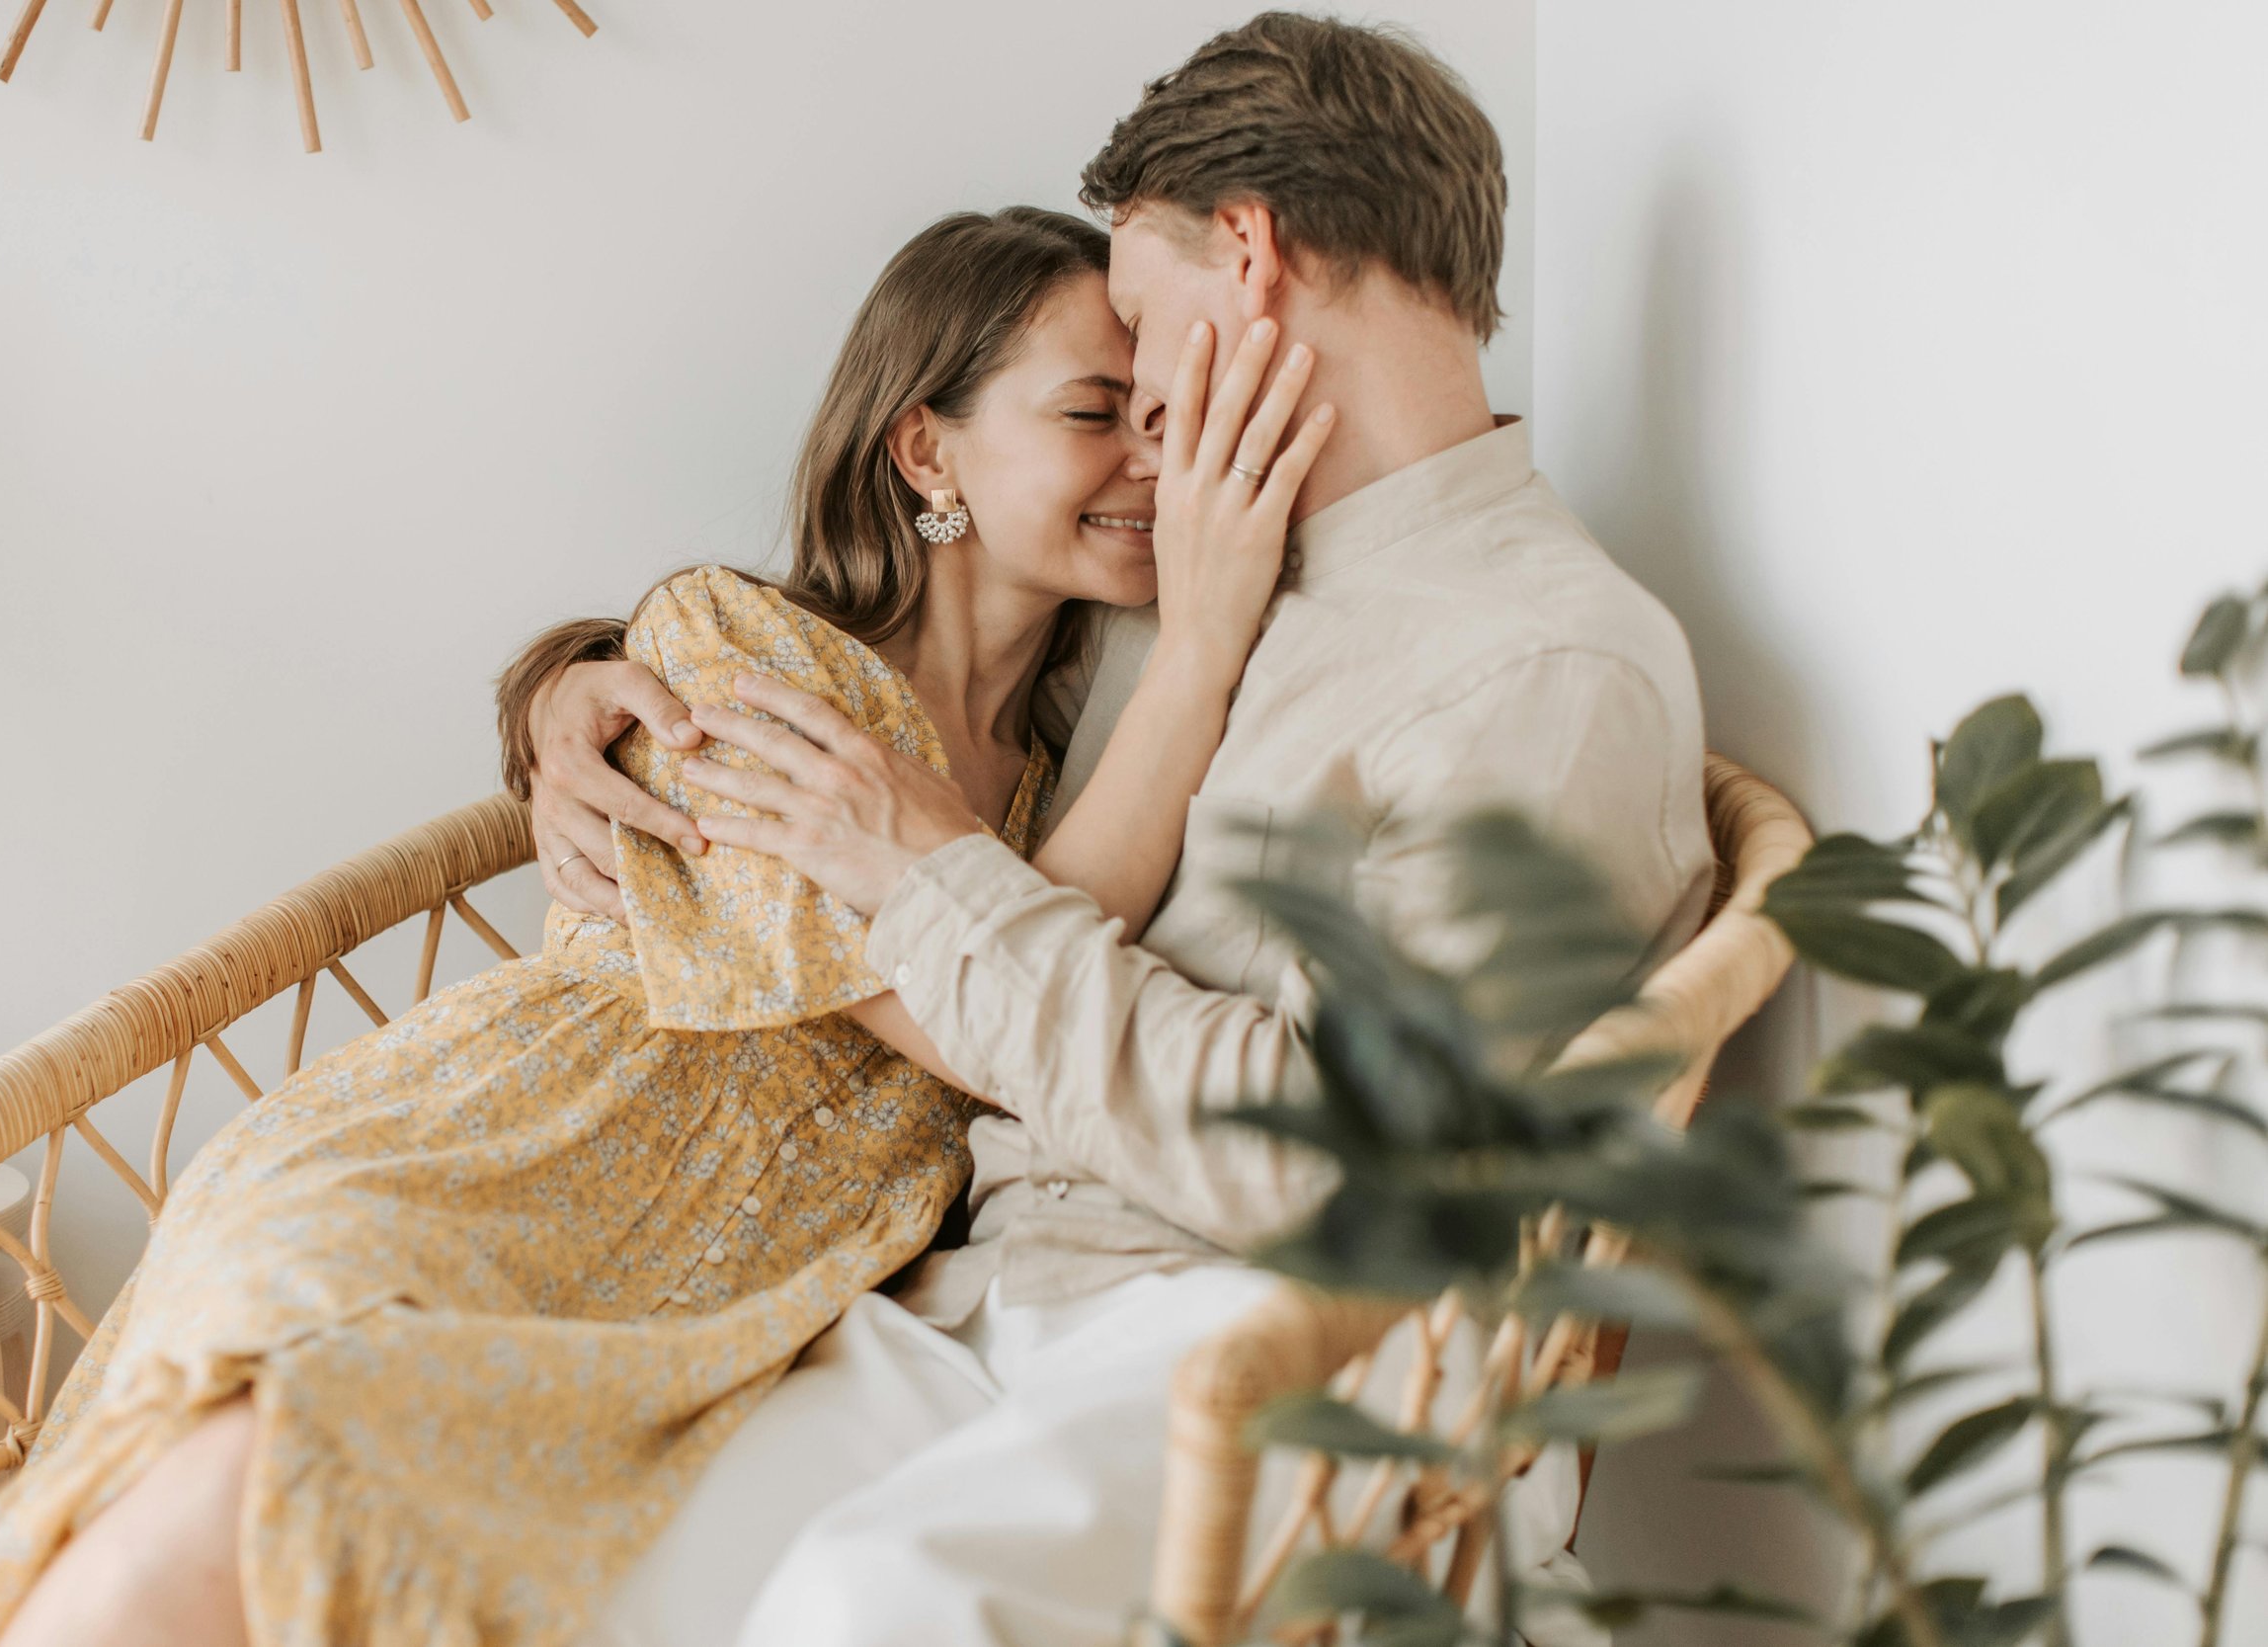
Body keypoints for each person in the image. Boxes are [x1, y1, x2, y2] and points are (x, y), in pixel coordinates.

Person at [0, 205, 1331, 1647]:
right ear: (926, 449)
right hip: (507, 1154)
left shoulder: (1069, 766)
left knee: (401, 1496)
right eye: (1098, 413)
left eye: (1162, 417)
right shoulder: (739, 651)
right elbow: (982, 1007)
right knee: (256, 1454)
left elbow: (1028, 953)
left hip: (752, 1277)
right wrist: (1205, 641)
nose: (1155, 460)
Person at [526, 15, 1715, 1647]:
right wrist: (568, 685)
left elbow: (1355, 1176)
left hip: (1254, 1330)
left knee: (864, 1610)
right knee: (561, 1559)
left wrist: (933, 876)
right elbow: (902, 649)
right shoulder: (1210, 574)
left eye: (1143, 324)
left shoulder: (1542, 665)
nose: (1146, 403)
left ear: (1252, 252)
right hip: (986, 1297)